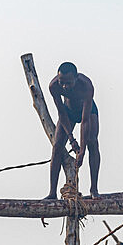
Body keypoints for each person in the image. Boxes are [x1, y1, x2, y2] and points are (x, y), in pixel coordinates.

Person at [45, 61, 101, 199]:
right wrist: (71, 139)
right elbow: (62, 114)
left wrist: (81, 151)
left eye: (68, 83)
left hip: (87, 112)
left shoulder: (86, 86)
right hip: (68, 112)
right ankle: (52, 193)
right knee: (57, 146)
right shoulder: (54, 87)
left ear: (76, 78)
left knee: (92, 142)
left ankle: (94, 189)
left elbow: (85, 120)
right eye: (62, 82)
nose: (65, 86)